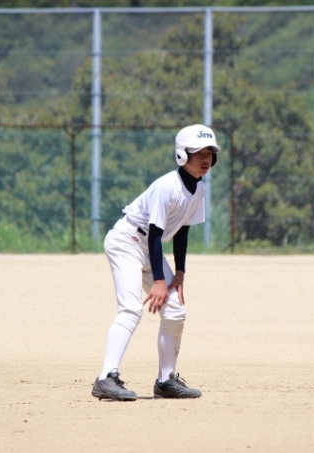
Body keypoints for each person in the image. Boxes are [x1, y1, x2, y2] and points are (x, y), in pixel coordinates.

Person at [91, 124, 221, 401]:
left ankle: (166, 381)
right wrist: (159, 281)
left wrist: (180, 272)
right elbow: (155, 234)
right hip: (127, 241)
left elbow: (183, 231)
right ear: (182, 154)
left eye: (210, 152)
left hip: (149, 247)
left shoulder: (199, 190)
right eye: (199, 152)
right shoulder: (167, 187)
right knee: (130, 309)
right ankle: (105, 378)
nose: (206, 158)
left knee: (175, 310)